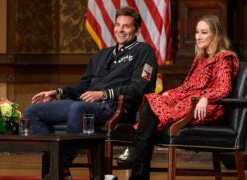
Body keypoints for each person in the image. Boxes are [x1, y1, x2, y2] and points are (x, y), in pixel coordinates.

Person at [24, 6, 158, 177]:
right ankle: (57, 163)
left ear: (137, 30)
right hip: (85, 103)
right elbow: (83, 86)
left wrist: (103, 94)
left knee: (78, 108)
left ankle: (60, 165)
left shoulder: (144, 51)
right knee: (32, 111)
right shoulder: (101, 55)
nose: (121, 30)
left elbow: (139, 87)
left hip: (114, 107)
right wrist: (57, 92)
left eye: (126, 26)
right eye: (118, 25)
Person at [116, 14, 240, 180]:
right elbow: (187, 86)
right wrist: (170, 94)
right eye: (197, 32)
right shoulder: (200, 58)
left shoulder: (224, 57)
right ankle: (138, 169)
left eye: (204, 32)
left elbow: (224, 89)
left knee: (153, 110)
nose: (198, 36)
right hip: (191, 102)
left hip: (207, 108)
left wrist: (205, 98)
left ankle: (136, 157)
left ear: (216, 34)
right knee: (154, 101)